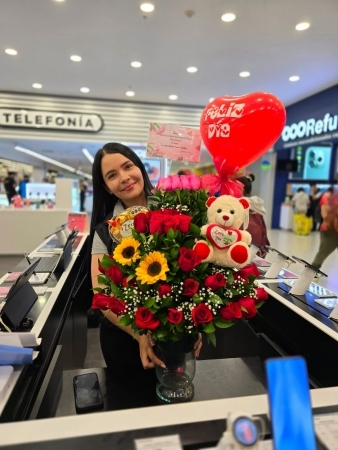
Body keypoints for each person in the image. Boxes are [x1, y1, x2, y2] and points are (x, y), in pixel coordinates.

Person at [90, 143, 202, 378]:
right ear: (106, 188)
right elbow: (102, 293)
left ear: (139, 167)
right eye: (112, 175)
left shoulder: (175, 213)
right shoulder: (104, 232)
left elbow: (196, 271)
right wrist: (138, 333)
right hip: (123, 337)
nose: (124, 177)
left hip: (175, 331)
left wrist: (193, 324)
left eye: (128, 166)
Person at [236, 174, 270, 257]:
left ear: (241, 188)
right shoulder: (255, 203)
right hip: (257, 247)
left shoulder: (236, 203)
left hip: (242, 245)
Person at [312, 186, 338, 269]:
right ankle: (311, 272)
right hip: (330, 230)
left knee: (322, 253)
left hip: (330, 229)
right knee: (323, 252)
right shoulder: (328, 195)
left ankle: (312, 271)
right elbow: (325, 214)